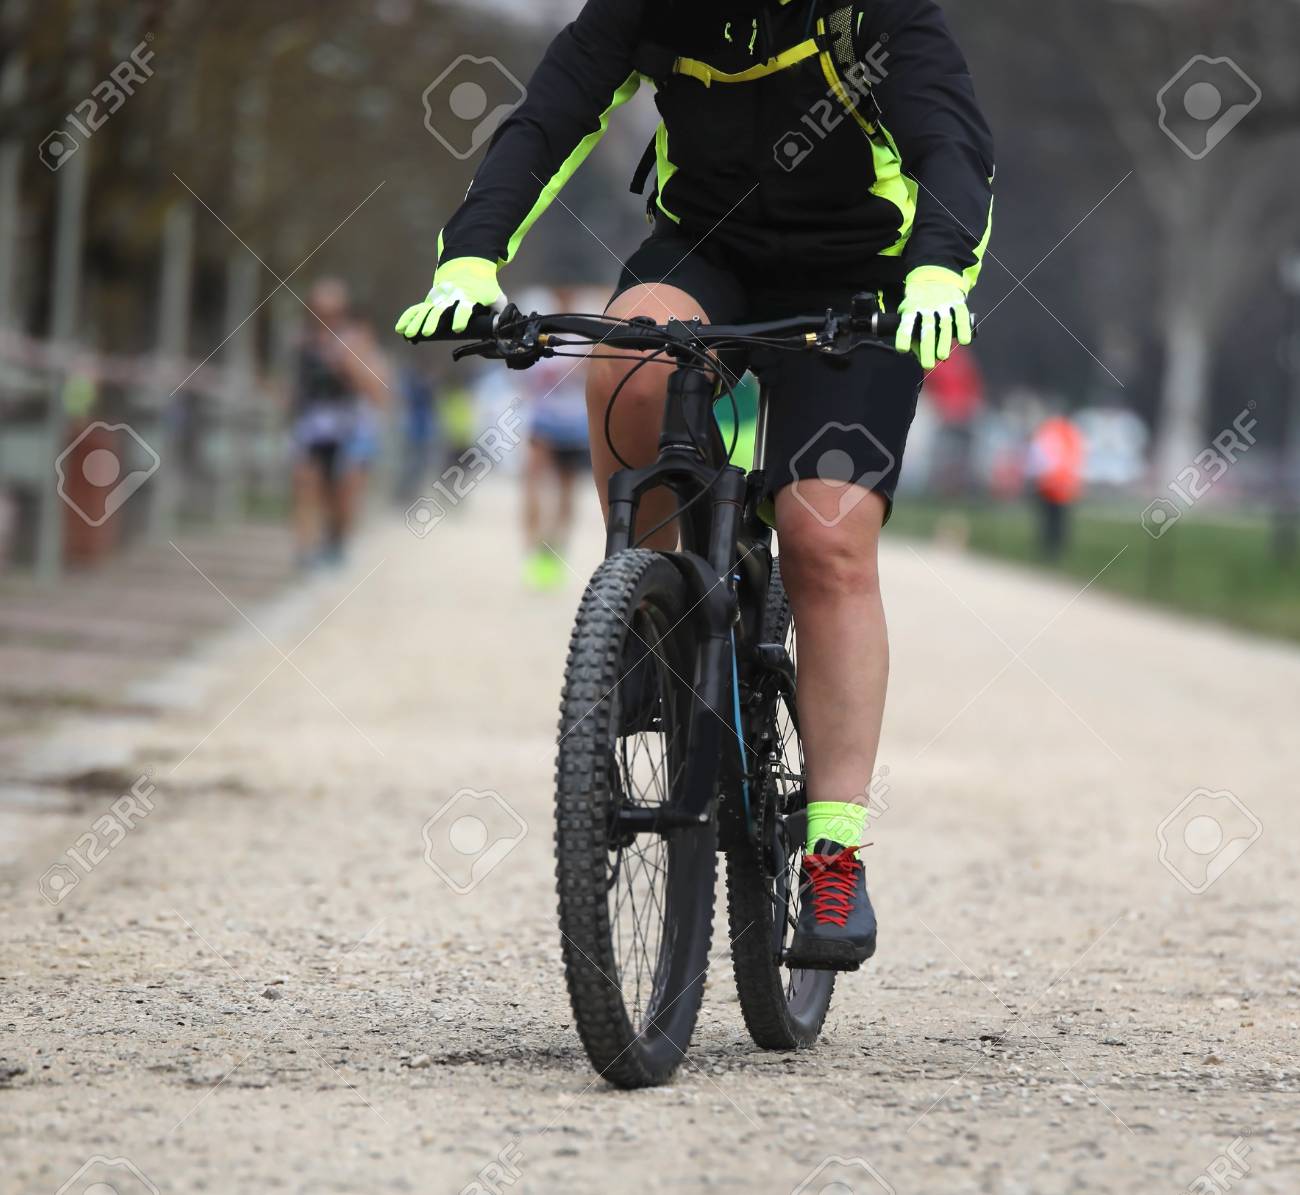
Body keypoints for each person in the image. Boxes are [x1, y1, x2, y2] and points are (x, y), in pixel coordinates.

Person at [397, 0, 994, 969]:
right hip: (705, 249)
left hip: (862, 275)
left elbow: (951, 143)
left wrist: (937, 272)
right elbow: (551, 118)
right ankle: (653, 608)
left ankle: (834, 849)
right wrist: (471, 254)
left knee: (824, 537)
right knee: (627, 362)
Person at [292, 279, 388, 567]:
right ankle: (305, 552)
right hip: (313, 426)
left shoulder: (355, 342)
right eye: (318, 312)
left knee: (342, 493)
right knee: (308, 486)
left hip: (350, 426)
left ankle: (336, 543)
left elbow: (378, 392)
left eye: (331, 313)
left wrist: (349, 365)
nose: (324, 319)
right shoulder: (302, 342)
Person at [1026, 411, 1085, 561]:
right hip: (1062, 483)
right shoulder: (1070, 432)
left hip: (1049, 481)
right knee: (1059, 519)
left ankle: (1050, 548)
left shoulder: (1048, 431)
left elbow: (1037, 455)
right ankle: (1056, 548)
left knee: (1050, 518)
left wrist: (1035, 475)